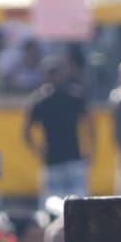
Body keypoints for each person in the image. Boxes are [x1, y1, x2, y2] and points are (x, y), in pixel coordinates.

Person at [27, 52, 95, 200]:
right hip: (55, 160)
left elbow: (90, 124)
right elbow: (27, 133)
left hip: (71, 157)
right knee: (57, 202)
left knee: (73, 202)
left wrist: (90, 149)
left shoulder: (73, 97)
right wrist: (39, 150)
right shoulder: (43, 102)